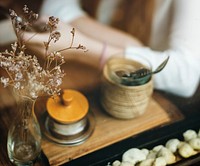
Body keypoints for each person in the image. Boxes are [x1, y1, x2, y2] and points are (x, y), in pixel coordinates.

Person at [0, 0, 200, 98]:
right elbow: (57, 7)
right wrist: (130, 46)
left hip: (149, 94)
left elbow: (186, 75)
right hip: (95, 78)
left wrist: (86, 49)